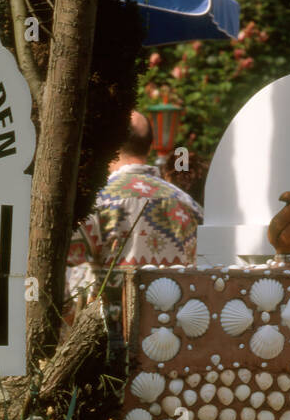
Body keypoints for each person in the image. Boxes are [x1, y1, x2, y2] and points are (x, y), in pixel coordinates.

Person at [66, 111, 203, 306]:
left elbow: (63, 274)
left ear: (109, 146)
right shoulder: (188, 205)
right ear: (150, 147)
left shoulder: (95, 204)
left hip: (109, 332)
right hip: (174, 330)